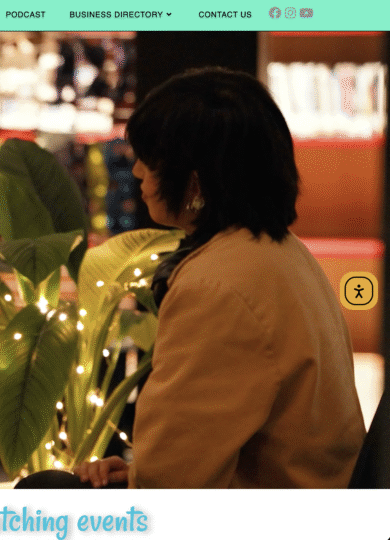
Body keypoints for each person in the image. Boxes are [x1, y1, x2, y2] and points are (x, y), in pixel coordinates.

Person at [38, 68, 365, 488]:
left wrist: (138, 481)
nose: (136, 172)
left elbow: (172, 484)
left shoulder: (216, 286)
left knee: (42, 491)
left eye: (150, 160)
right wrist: (136, 474)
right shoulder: (280, 252)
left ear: (194, 181)